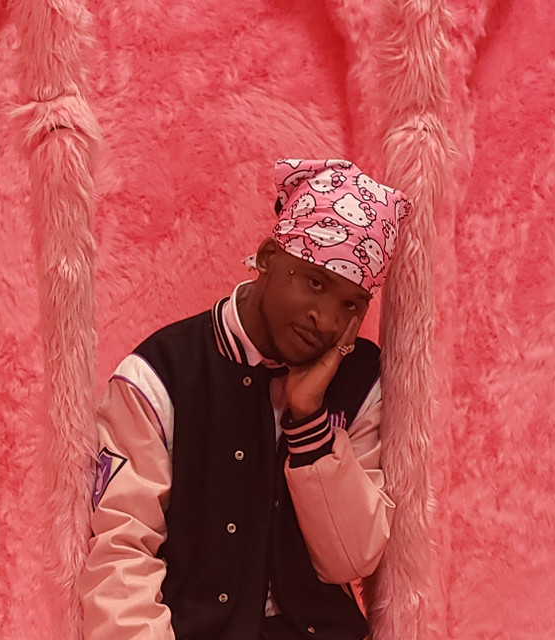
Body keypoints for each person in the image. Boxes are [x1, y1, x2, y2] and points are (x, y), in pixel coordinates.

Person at [79, 158, 413, 640]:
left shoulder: (361, 379)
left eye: (349, 304)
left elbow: (350, 559)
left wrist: (309, 422)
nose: (325, 319)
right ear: (268, 257)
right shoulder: (160, 375)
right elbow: (121, 553)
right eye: (315, 283)